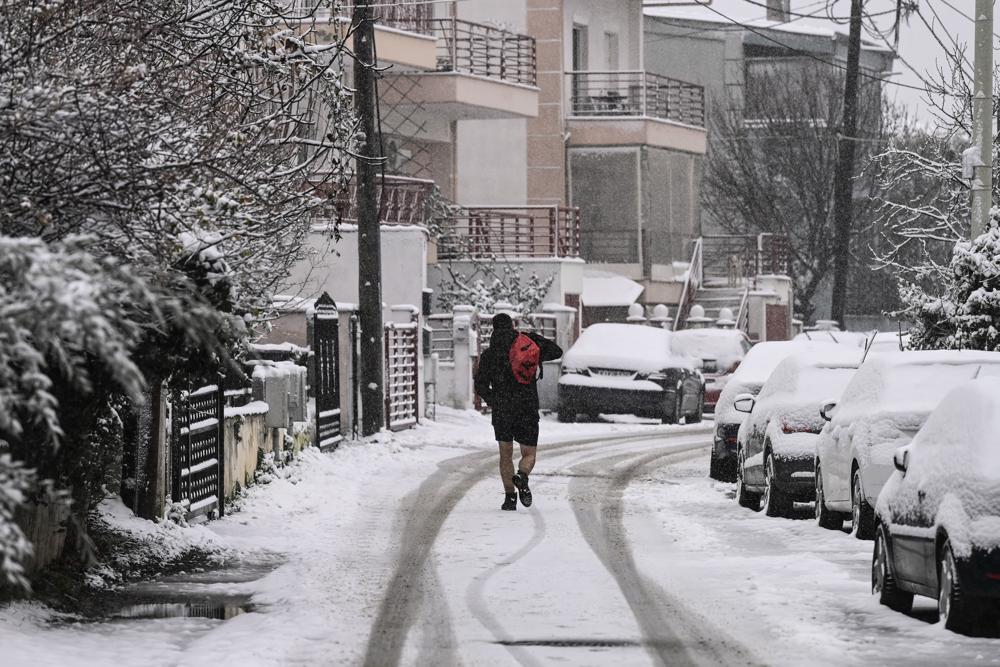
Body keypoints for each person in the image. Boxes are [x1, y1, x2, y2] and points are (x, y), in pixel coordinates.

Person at [474, 313, 563, 511]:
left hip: (503, 409)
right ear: (513, 326)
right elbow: (557, 351)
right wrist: (533, 338)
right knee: (529, 453)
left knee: (505, 455)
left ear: (494, 329)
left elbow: (480, 385)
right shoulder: (528, 346)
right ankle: (522, 476)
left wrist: (494, 400)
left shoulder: (489, 355)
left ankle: (510, 499)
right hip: (527, 406)